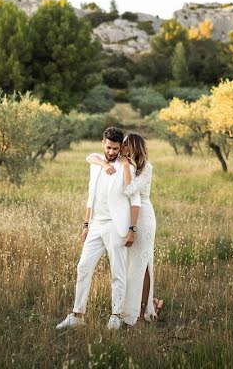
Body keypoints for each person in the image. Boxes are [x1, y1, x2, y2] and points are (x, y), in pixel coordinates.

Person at [56, 127, 138, 330]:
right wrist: (86, 225)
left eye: (115, 149)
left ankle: (116, 316)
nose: (111, 152)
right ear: (103, 142)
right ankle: (77, 315)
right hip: (96, 225)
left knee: (117, 272)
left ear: (121, 148)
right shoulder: (96, 164)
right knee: (83, 267)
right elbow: (90, 196)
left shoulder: (127, 166)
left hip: (116, 226)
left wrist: (131, 229)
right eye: (109, 147)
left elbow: (134, 198)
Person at [87, 132, 163, 326]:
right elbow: (91, 157)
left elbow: (129, 190)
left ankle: (141, 310)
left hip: (143, 217)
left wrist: (124, 167)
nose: (121, 148)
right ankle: (131, 307)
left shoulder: (146, 168)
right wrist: (107, 164)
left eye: (125, 145)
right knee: (129, 265)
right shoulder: (126, 163)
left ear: (133, 147)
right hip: (127, 216)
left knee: (143, 264)